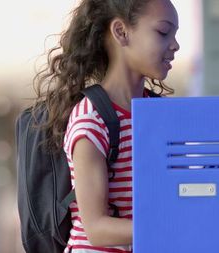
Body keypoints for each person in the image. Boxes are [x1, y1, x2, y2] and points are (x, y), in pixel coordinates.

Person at [33, 0, 180, 252]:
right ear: (121, 32)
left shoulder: (154, 112)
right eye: (163, 32)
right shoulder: (91, 118)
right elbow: (97, 229)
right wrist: (176, 225)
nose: (175, 45)